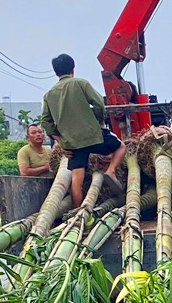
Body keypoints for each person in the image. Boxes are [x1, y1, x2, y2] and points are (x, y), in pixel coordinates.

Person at [40, 53, 126, 208]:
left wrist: (61, 141)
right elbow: (99, 103)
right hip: (93, 136)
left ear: (55, 72)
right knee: (121, 147)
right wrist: (98, 121)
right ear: (73, 68)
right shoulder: (80, 83)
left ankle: (77, 212)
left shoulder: (49, 95)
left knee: (76, 180)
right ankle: (111, 171)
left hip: (72, 144)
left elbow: (45, 122)